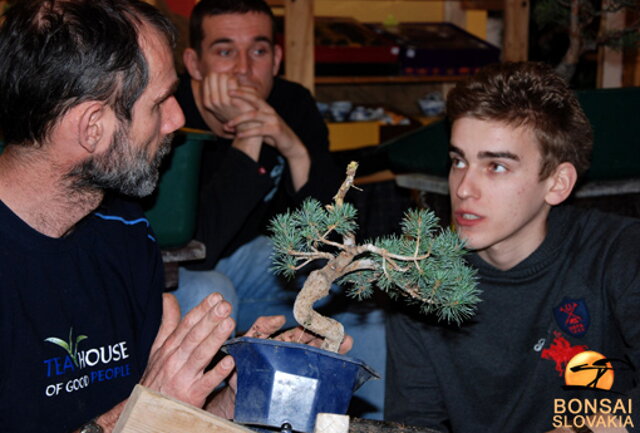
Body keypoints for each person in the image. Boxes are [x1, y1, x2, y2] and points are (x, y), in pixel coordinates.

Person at [0, 1, 350, 432]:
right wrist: (138, 413)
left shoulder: (124, 231)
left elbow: (162, 415)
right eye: (160, 102)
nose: (178, 119)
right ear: (92, 127)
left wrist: (232, 393)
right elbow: (142, 415)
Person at [384, 61, 640, 433]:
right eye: (458, 161)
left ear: (557, 183)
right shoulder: (421, 278)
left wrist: (584, 428)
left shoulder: (619, 254)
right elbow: (415, 422)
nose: (463, 188)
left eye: (496, 166)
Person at [173, 0, 387, 420]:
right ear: (194, 64)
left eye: (258, 51)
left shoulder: (293, 103)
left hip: (264, 271)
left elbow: (333, 233)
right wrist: (249, 137)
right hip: (185, 269)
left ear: (277, 58)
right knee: (211, 288)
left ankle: (367, 425)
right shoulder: (173, 114)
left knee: (359, 292)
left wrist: (293, 147)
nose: (242, 69)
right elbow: (200, 246)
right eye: (224, 51)